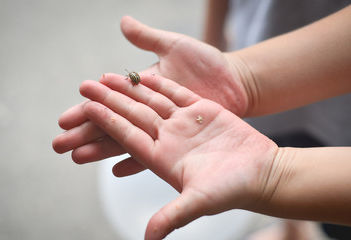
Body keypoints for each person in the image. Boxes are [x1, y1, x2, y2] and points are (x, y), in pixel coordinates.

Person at [52, 5, 351, 240]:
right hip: (272, 67)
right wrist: (242, 76)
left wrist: (274, 177)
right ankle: (292, 232)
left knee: (335, 225)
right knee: (284, 138)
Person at [203, 0, 351, 239]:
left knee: (338, 223)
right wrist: (228, 61)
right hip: (257, 57)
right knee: (275, 144)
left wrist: (243, 75)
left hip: (341, 111)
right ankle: (292, 232)